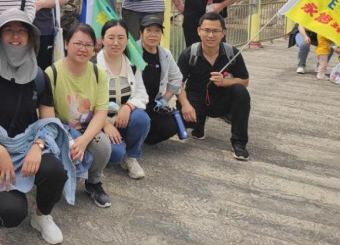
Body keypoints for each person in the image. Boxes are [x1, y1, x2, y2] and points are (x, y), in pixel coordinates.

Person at [0, 9, 71, 245]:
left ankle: (42, 216)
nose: (15, 36)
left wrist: (38, 145)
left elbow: (49, 123)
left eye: (21, 31)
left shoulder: (39, 77)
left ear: (31, 38)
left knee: (55, 170)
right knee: (10, 213)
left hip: (28, 148)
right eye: (9, 31)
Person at [47, 23, 112, 208]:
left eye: (88, 45)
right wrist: (68, 140)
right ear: (66, 44)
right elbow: (47, 116)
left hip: (86, 128)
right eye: (78, 43)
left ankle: (93, 182)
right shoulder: (52, 73)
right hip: (60, 129)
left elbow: (101, 112)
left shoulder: (98, 73)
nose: (83, 49)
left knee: (104, 146)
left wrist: (83, 140)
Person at [177, 13, 251, 161]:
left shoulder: (232, 53)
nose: (210, 35)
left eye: (215, 31)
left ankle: (239, 142)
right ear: (199, 31)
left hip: (221, 100)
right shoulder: (189, 54)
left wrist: (224, 82)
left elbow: (245, 80)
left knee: (240, 91)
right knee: (180, 125)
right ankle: (199, 124)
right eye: (206, 30)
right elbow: (178, 83)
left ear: (223, 33)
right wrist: (185, 105)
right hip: (196, 99)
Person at [95, 19, 150, 179]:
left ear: (127, 40)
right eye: (111, 37)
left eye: (121, 38)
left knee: (141, 118)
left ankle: (131, 156)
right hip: (98, 122)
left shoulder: (132, 64)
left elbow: (142, 94)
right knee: (115, 155)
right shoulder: (92, 65)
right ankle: (109, 151)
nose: (116, 43)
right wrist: (105, 124)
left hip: (122, 119)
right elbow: (86, 104)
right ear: (102, 39)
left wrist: (128, 106)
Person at [136, 15, 194, 145]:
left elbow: (177, 78)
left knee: (170, 127)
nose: (153, 34)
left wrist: (165, 99)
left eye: (157, 31)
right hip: (135, 103)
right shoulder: (132, 52)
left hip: (154, 104)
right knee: (139, 120)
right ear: (141, 33)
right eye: (149, 30)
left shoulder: (165, 54)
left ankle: (145, 138)